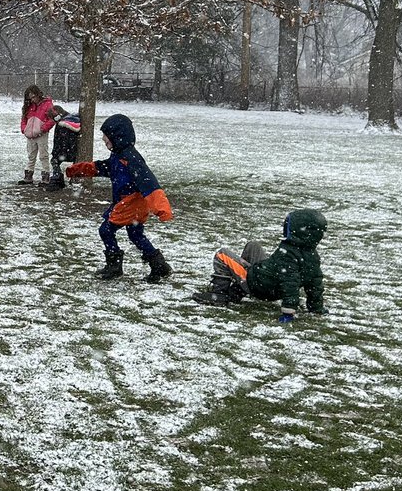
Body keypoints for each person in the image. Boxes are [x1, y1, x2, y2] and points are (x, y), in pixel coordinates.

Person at [65, 113, 173, 282]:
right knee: (136, 236)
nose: (103, 139)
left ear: (117, 137)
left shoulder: (131, 158)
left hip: (130, 203)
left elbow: (149, 183)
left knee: (106, 230)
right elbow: (105, 168)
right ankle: (159, 266)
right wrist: (80, 169)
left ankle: (114, 266)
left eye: (106, 136)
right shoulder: (118, 156)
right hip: (129, 203)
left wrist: (161, 207)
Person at [191, 209, 328, 323]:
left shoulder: (288, 256)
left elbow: (290, 284)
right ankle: (238, 290)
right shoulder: (310, 255)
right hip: (266, 276)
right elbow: (315, 283)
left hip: (257, 285)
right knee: (253, 245)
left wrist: (288, 312)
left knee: (222, 255)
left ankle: (219, 294)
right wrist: (316, 308)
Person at [18, 85, 58, 185]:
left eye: (33, 97)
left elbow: (52, 119)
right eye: (30, 98)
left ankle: (45, 177)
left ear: (38, 95)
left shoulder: (47, 105)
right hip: (31, 135)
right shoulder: (29, 106)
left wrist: (43, 129)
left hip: (41, 135)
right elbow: (24, 119)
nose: (32, 100)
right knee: (31, 155)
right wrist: (24, 130)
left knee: (43, 155)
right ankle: (29, 176)